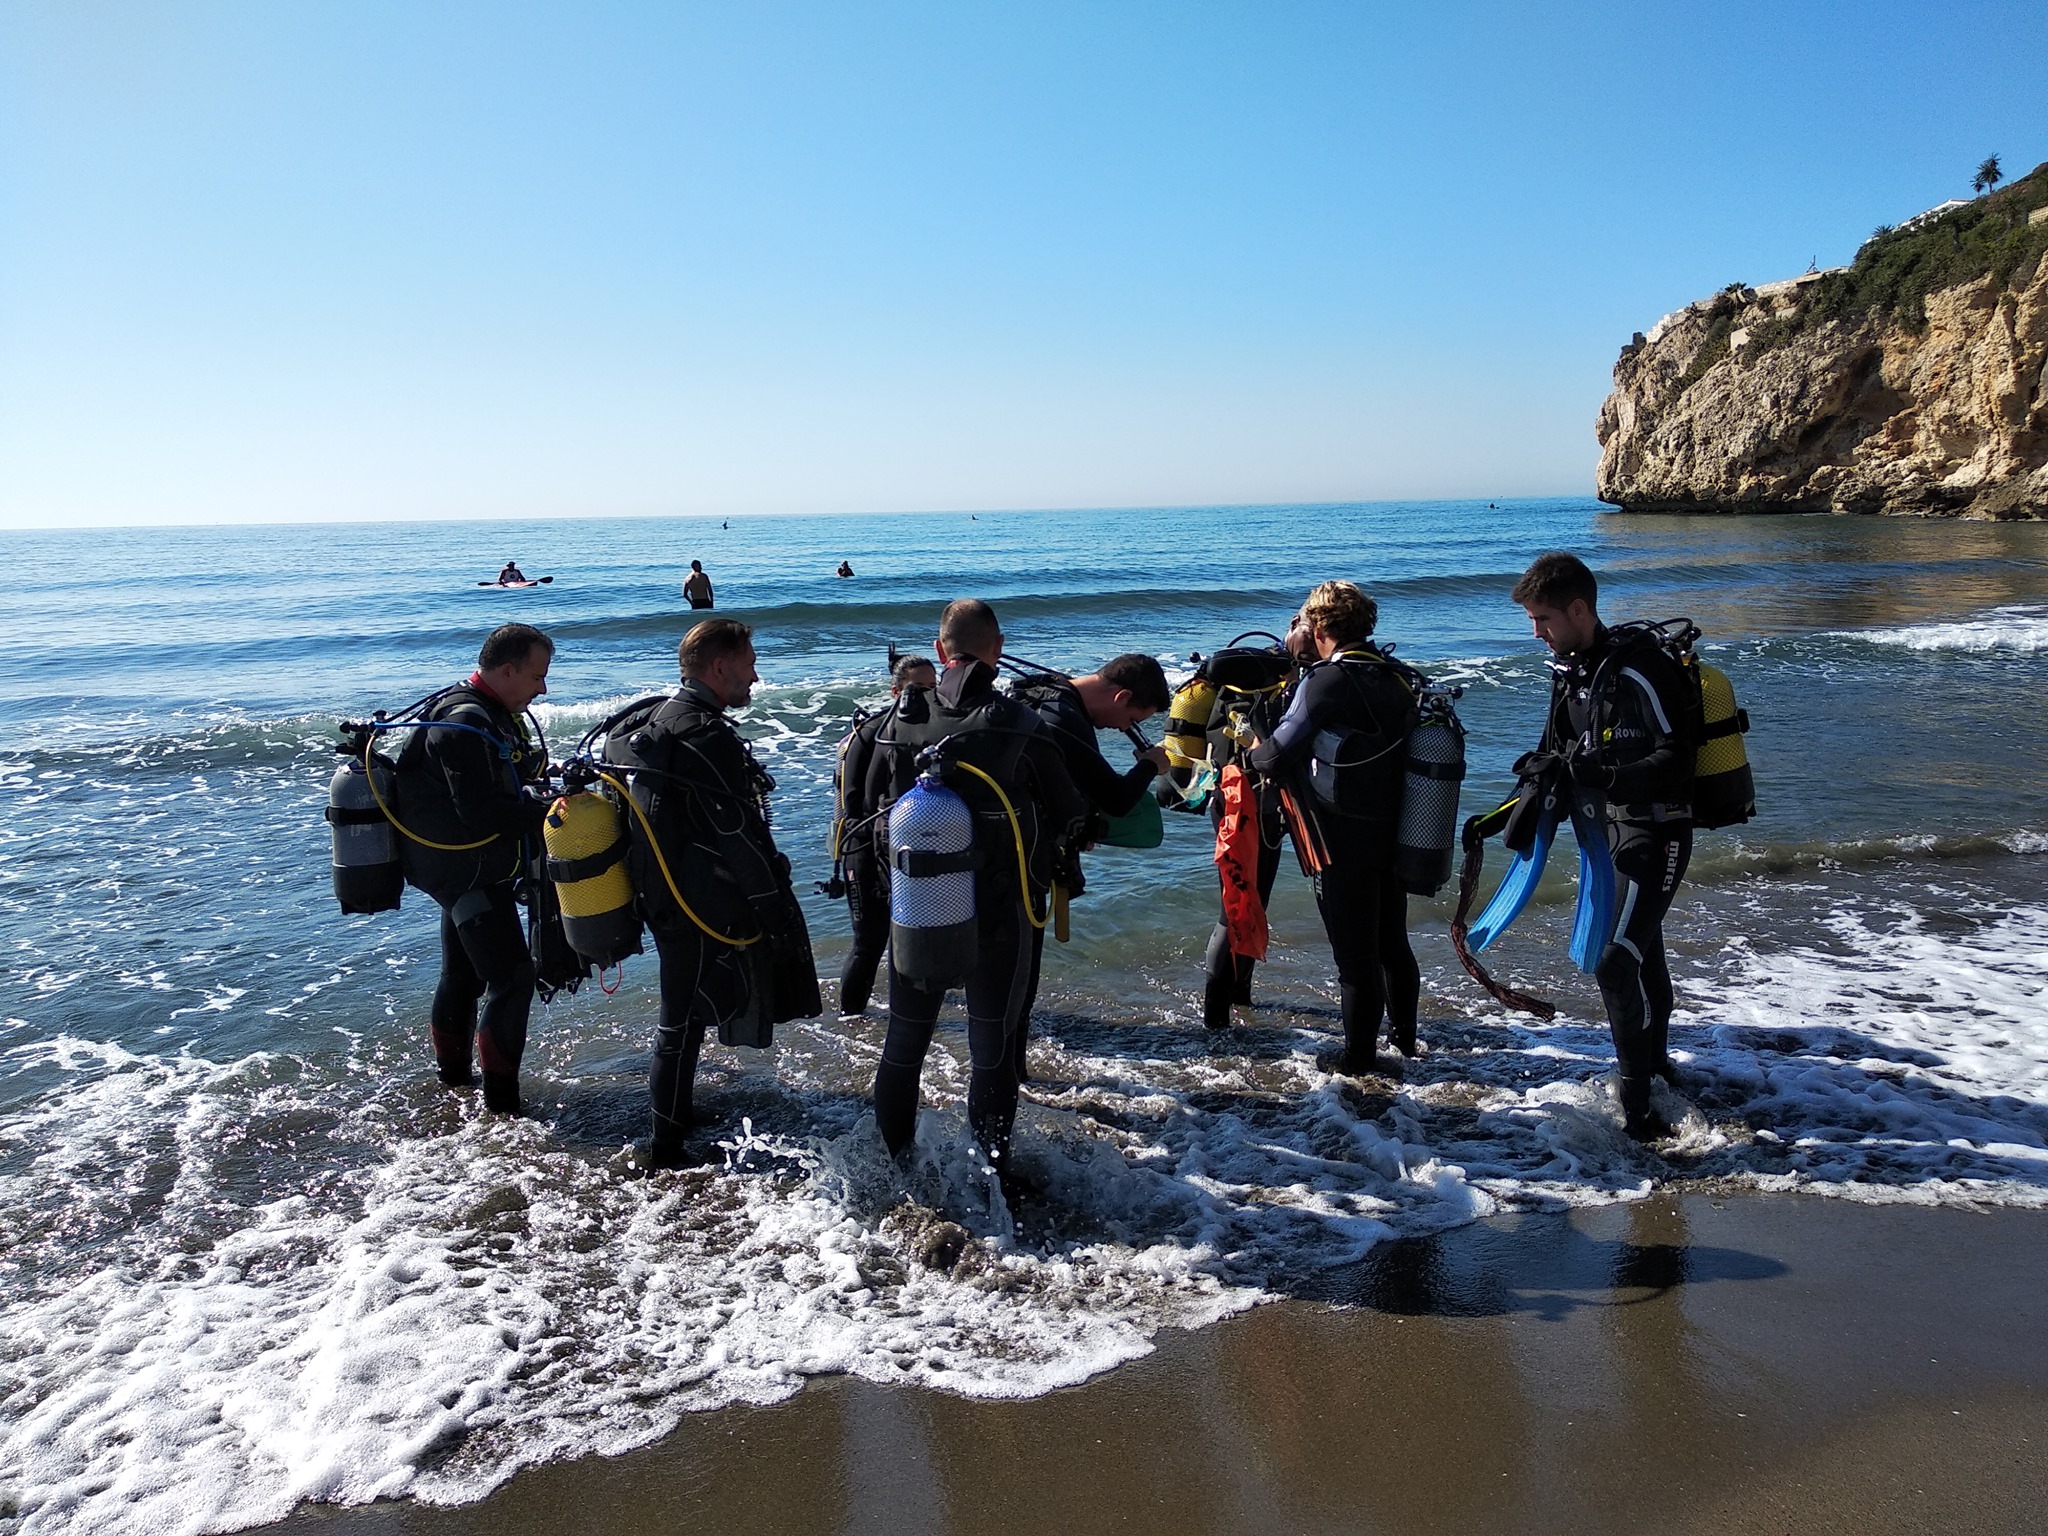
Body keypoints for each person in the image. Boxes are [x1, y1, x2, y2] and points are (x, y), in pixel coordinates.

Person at [853, 599, 1087, 1184]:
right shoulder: (1019, 723)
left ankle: (897, 1174)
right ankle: (993, 1180)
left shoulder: (894, 724)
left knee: (904, 1044)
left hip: (919, 907)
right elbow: (1071, 813)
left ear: (939, 651)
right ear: (997, 650)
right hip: (1001, 915)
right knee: (991, 1049)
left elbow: (867, 810)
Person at [604, 618, 819, 1169]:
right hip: (695, 902)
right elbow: (738, 835)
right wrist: (773, 909)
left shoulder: (652, 720)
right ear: (720, 667)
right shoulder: (707, 736)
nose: (756, 677)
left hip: (656, 890)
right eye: (749, 664)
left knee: (688, 1010)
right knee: (678, 1019)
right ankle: (664, 1149)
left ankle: (677, 1113)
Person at [1511, 551, 1696, 1139]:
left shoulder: (1642, 669)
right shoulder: (1571, 675)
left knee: (1616, 965)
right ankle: (1658, 1072)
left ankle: (1638, 1111)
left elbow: (1679, 756)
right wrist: (1507, 815)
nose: (1536, 633)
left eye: (1542, 619)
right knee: (1644, 956)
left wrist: (1609, 776)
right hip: (1609, 837)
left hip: (1658, 831)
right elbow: (1552, 752)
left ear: (1578, 609)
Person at [1247, 582, 1421, 1073]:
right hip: (1398, 830)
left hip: (1341, 840)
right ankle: (1405, 1044)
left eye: (1304, 621)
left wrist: (1253, 740)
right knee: (1392, 944)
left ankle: (1357, 1063)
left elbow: (1275, 755)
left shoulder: (1328, 679)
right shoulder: (1397, 674)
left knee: (1355, 959)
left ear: (1319, 626)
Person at [392, 623, 555, 1113]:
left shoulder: (483, 709)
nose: (543, 688)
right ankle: (503, 1107)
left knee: (463, 975)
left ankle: (454, 1084)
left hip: (452, 865)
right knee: (513, 979)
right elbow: (482, 814)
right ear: (506, 671)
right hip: (464, 872)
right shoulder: (464, 721)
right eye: (537, 676)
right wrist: (551, 810)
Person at [1009, 654, 1172, 1077]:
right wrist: (1150, 765)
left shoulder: (1045, 693)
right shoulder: (1066, 720)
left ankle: (1003, 1068)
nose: (1122, 728)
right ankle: (1010, 1076)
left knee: (1003, 973)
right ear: (1121, 696)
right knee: (1018, 978)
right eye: (1131, 718)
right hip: (1022, 864)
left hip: (1001, 851)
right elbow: (1116, 798)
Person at [834, 651, 938, 1015]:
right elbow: (854, 805)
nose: (927, 696)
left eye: (933, 687)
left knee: (908, 937)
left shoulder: (930, 734)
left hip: (903, 849)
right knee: (869, 942)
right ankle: (850, 1021)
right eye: (918, 688)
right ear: (896, 691)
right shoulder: (871, 733)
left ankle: (906, 1014)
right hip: (863, 849)